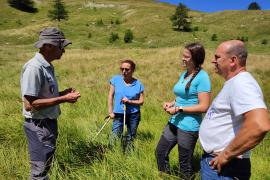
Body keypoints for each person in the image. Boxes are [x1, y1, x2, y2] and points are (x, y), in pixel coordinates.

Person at [199, 40, 270, 180]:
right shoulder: (234, 82)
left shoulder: (242, 83)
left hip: (225, 168)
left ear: (233, 60)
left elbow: (259, 125)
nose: (213, 61)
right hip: (219, 165)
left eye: (217, 57)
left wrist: (225, 155)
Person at [20, 27, 81, 179]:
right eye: (61, 46)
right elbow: (30, 104)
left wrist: (62, 94)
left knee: (45, 167)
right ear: (48, 46)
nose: (64, 51)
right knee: (39, 172)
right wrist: (63, 99)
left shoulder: (47, 66)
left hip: (47, 124)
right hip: (39, 126)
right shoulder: (34, 68)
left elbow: (41, 96)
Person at [155, 43, 211, 179]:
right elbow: (182, 96)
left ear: (195, 58)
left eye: (186, 56)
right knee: (160, 152)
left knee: (184, 164)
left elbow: (204, 106)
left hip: (189, 126)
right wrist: (172, 103)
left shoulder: (202, 77)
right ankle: (166, 176)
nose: (183, 58)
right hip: (175, 121)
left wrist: (179, 108)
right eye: (183, 55)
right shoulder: (185, 74)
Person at [108, 59, 144, 151]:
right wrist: (110, 112)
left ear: (132, 70)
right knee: (114, 136)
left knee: (130, 137)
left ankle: (128, 155)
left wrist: (129, 101)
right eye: (122, 69)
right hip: (118, 113)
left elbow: (141, 101)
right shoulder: (115, 80)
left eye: (127, 69)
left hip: (134, 115)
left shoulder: (138, 84)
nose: (124, 71)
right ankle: (111, 153)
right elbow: (110, 96)